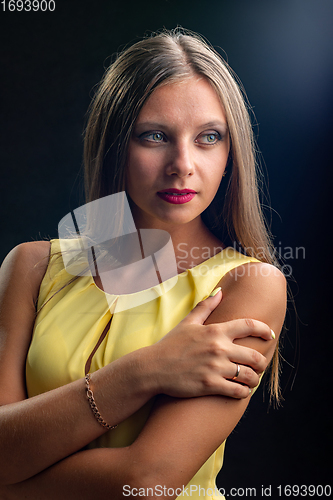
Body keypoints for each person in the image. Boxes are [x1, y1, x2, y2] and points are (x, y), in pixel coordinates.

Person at [0, 29, 286, 499]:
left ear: (231, 154)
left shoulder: (250, 284)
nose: (182, 164)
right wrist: (146, 371)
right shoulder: (31, 266)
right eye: (155, 136)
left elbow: (147, 482)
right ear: (116, 143)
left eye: (208, 138)